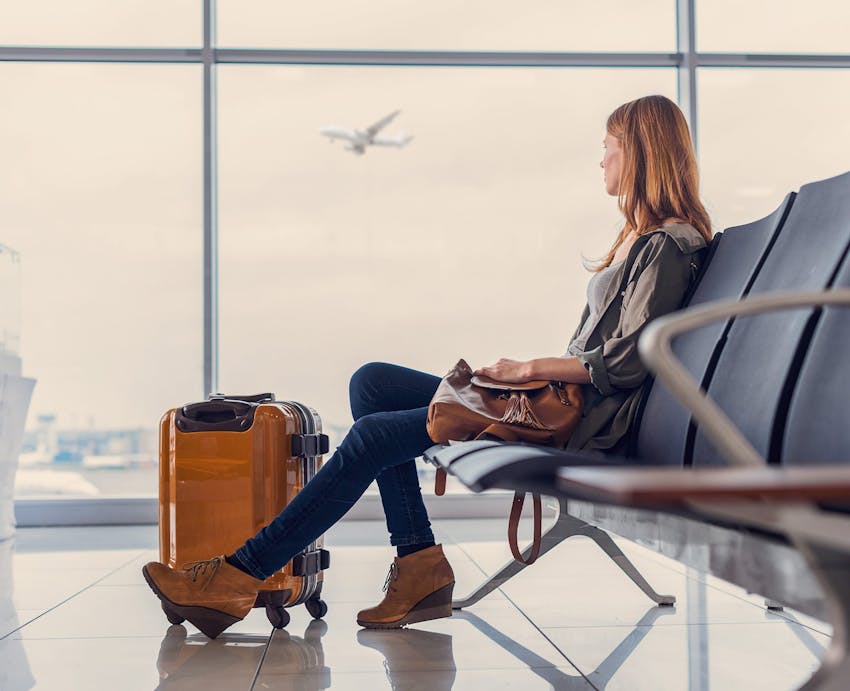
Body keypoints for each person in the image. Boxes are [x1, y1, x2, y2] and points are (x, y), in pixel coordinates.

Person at [142, 94, 712, 638]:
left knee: (370, 437)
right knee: (373, 383)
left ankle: (238, 576)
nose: (602, 158)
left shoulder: (667, 245)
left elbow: (626, 364)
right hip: (557, 406)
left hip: (580, 425)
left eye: (610, 145)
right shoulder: (644, 241)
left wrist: (525, 370)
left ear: (639, 153)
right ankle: (418, 561)